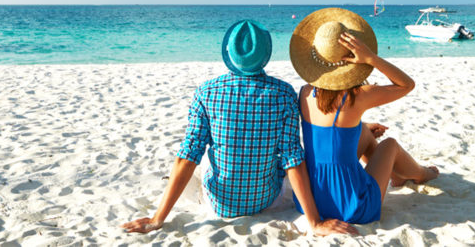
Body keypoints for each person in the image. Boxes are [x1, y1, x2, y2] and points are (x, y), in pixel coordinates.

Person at [122, 19, 357, 236]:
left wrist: (157, 219)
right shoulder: (284, 93)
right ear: (265, 54)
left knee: (200, 154)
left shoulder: (207, 92)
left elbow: (188, 155)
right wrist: (314, 222)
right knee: (279, 156)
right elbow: (292, 159)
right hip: (265, 200)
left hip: (220, 205)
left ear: (229, 53)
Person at [289, 8, 439, 223]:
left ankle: (394, 175)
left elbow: (329, 131)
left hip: (311, 200)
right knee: (390, 145)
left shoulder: (305, 92)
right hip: (352, 205)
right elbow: (407, 85)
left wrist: (362, 126)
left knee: (364, 130)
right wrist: (371, 58)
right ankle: (422, 174)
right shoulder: (357, 95)